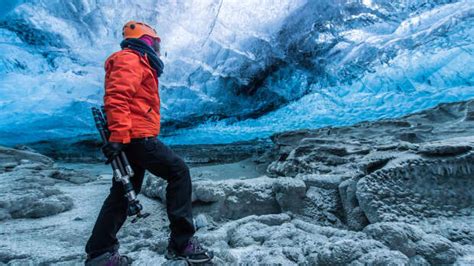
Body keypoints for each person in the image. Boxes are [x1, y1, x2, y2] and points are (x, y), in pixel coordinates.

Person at [84, 21, 213, 265]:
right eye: (156, 42)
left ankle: (100, 253)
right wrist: (119, 137)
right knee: (178, 171)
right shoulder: (130, 58)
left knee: (122, 193)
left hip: (132, 137)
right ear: (147, 39)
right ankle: (182, 242)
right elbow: (118, 96)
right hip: (136, 137)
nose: (158, 47)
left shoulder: (138, 61)